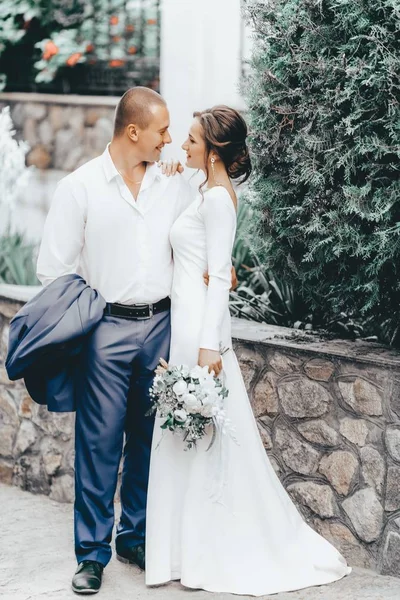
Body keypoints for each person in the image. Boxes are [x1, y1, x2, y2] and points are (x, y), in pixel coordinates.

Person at [145, 105, 351, 596]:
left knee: (210, 440)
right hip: (186, 321)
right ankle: (181, 550)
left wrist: (209, 345)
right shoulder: (202, 191)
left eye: (192, 140)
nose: (184, 145)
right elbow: (216, 264)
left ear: (214, 150)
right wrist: (172, 176)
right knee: (185, 438)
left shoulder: (218, 199)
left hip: (200, 329)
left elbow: (219, 277)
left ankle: (210, 550)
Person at [36, 87, 197, 595]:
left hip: (161, 329)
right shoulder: (79, 187)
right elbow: (52, 271)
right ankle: (90, 555)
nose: (169, 139)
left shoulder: (173, 182)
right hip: (105, 330)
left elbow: (203, 225)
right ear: (134, 132)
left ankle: (136, 536)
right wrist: (86, 321)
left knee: (150, 442)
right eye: (162, 130)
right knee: (99, 445)